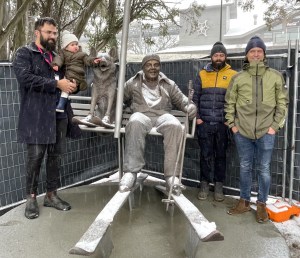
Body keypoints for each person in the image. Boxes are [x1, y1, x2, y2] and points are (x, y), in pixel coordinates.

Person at [13, 17, 80, 219]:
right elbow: (25, 78)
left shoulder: (56, 57)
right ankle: (31, 198)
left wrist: (71, 86)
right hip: (36, 117)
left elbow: (64, 83)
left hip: (59, 116)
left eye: (55, 33)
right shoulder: (25, 54)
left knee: (55, 158)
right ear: (37, 33)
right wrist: (56, 85)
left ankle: (51, 195)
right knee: (35, 160)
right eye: (48, 32)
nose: (52, 36)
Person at [225, 36, 288, 223]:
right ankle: (244, 202)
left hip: (266, 132)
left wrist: (274, 127)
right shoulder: (238, 78)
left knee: (264, 169)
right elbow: (229, 103)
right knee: (245, 167)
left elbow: (282, 103)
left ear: (264, 54)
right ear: (247, 55)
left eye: (259, 51)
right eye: (252, 51)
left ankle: (261, 204)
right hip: (242, 132)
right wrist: (233, 125)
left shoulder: (275, 76)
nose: (255, 54)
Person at [119, 54, 197, 192]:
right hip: (142, 115)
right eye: (149, 65)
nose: (152, 68)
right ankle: (131, 172)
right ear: (143, 67)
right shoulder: (132, 83)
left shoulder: (168, 84)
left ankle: (172, 176)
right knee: (135, 121)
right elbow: (119, 99)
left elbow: (183, 101)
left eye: (156, 65)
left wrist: (190, 107)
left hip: (163, 115)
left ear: (160, 67)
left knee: (175, 125)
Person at [193, 42, 237, 202]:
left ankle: (219, 186)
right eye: (215, 55)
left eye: (221, 55)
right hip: (204, 123)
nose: (218, 58)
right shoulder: (202, 74)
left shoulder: (233, 75)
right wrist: (197, 118)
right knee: (205, 155)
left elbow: (236, 100)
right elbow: (194, 98)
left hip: (222, 125)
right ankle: (204, 184)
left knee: (221, 156)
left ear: (225, 57)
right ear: (211, 57)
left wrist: (228, 121)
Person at [51, 30, 100, 112]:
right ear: (66, 47)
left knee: (68, 88)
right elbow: (59, 58)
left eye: (76, 44)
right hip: (69, 74)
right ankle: (61, 105)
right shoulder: (63, 53)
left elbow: (87, 60)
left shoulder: (82, 54)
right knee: (66, 89)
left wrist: (93, 61)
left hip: (79, 75)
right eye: (72, 45)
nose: (75, 46)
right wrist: (56, 64)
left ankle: (61, 104)